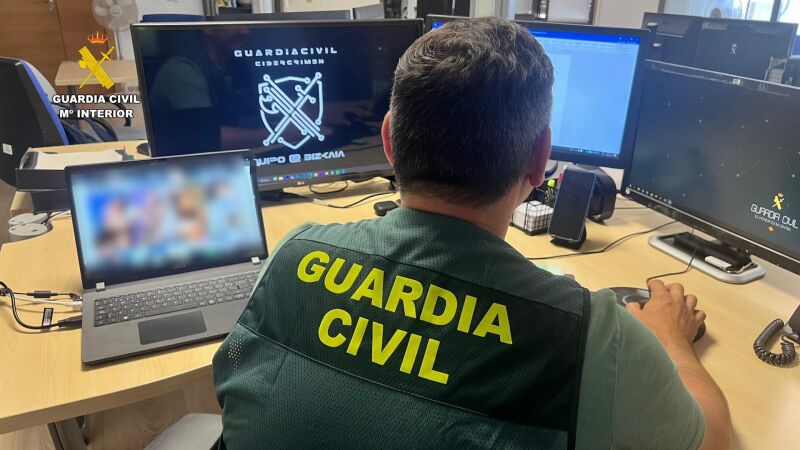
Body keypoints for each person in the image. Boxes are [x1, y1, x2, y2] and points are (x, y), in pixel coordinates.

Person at [213, 17, 731, 449]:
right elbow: (711, 441)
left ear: (390, 140)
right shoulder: (589, 337)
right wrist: (670, 339)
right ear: (540, 159)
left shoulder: (294, 254)